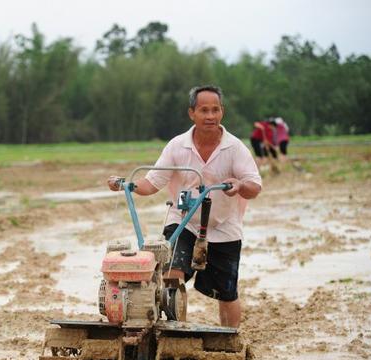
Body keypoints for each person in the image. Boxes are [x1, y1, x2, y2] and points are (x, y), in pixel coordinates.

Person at [107, 85, 262, 328]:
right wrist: (128, 185)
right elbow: (153, 182)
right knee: (171, 276)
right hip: (184, 221)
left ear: (222, 112)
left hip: (224, 226)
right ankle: (176, 332)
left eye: (215, 110)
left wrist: (240, 184)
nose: (210, 116)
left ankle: (230, 339)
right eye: (204, 110)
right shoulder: (177, 145)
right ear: (192, 113)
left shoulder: (235, 148)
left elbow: (255, 187)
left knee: (227, 292)